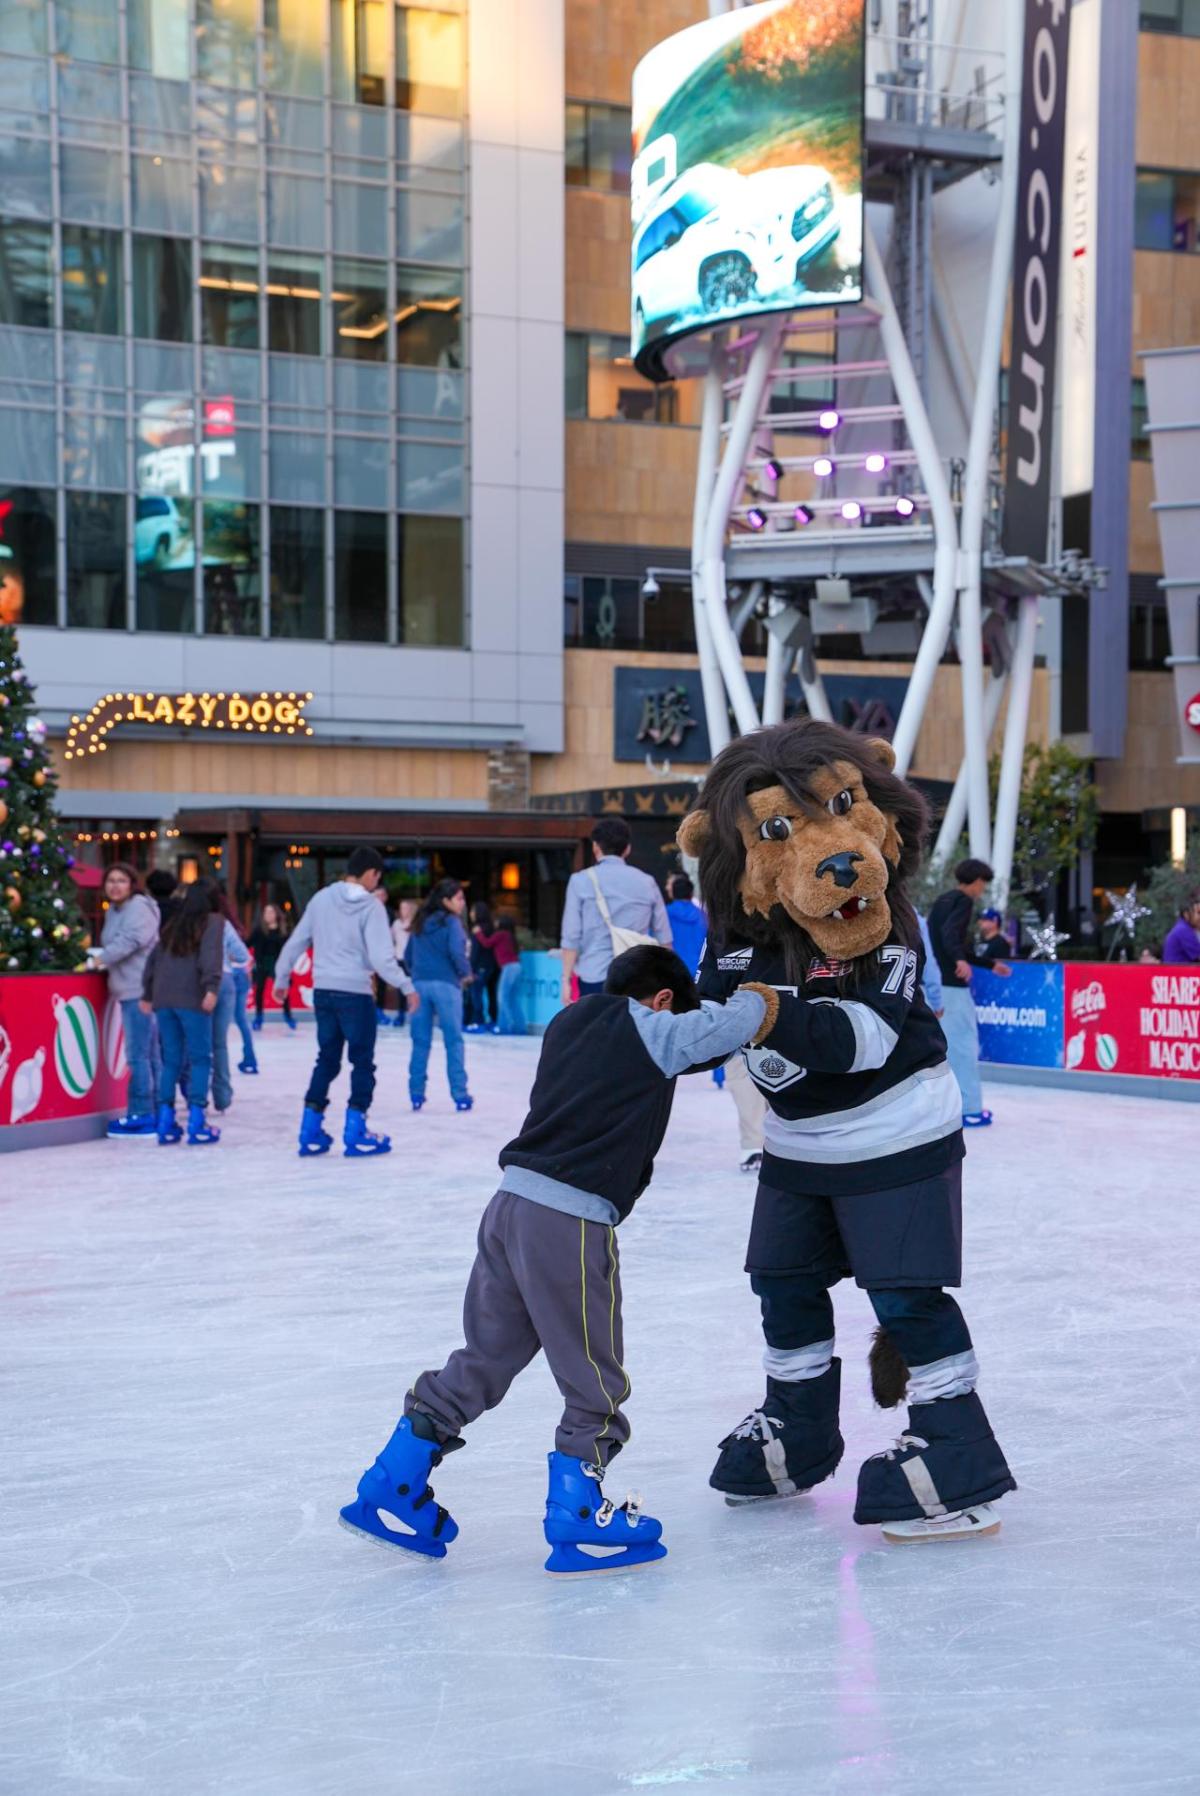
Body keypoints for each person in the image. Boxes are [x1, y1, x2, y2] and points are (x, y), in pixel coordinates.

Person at [339, 944, 770, 1574]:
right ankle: (575, 1512)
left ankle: (392, 1479)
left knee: (485, 1357)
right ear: (663, 1001)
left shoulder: (570, 1020)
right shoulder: (649, 1026)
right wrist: (767, 990)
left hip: (509, 1207)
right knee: (595, 1375)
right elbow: (730, 1027)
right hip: (566, 1222)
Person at [274, 846, 419, 1157]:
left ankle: (309, 1129)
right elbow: (382, 958)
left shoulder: (321, 899)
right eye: (377, 877)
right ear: (371, 873)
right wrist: (406, 986)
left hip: (324, 991)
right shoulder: (371, 907)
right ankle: (356, 1130)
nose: (376, 884)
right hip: (355, 992)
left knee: (327, 1058)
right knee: (362, 1061)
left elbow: (297, 939)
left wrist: (281, 977)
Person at [927, 858, 1012, 1128]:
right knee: (964, 1044)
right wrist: (959, 961)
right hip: (952, 986)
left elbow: (940, 938)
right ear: (976, 881)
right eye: (982, 885)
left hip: (936, 985)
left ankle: (944, 1107)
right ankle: (969, 1108)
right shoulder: (964, 901)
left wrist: (990, 965)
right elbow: (951, 936)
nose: (981, 891)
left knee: (944, 1047)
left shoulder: (942, 900)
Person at [140, 877, 224, 1145]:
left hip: (164, 1000)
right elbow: (210, 955)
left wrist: (148, 993)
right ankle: (197, 1120)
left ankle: (165, 1121)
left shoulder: (173, 925)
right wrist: (211, 987)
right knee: (200, 1059)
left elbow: (153, 961)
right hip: (192, 998)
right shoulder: (212, 922)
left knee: (172, 1060)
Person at [560, 818, 672, 1001]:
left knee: (597, 1029)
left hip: (594, 975)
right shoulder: (647, 882)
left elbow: (571, 937)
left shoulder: (580, 881)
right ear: (627, 848)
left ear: (595, 847)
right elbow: (665, 939)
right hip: (638, 976)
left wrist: (565, 979)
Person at [93, 863, 160, 1138]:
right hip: (129, 990)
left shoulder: (139, 908)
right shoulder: (115, 911)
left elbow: (130, 940)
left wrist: (100, 958)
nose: (115, 886)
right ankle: (157, 1110)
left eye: (121, 881)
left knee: (138, 1055)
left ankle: (142, 1113)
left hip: (140, 990)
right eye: (111, 881)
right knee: (149, 1053)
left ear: (132, 884)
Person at [406, 879, 474, 1111]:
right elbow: (457, 951)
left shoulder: (419, 921)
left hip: (419, 985)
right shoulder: (452, 922)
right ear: (446, 901)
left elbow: (407, 955)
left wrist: (418, 972)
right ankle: (460, 1094)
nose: (463, 904)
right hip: (446, 985)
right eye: (459, 899)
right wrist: (465, 973)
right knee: (453, 1041)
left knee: (420, 1042)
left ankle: (416, 1093)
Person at [211, 891, 256, 1104]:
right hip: (228, 976)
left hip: (207, 980)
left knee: (199, 1042)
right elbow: (243, 955)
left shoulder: (190, 923)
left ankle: (196, 1095)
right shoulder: (225, 923)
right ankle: (222, 1095)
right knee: (221, 1040)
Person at [249, 902, 294, 1029]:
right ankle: (259, 1017)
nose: (268, 915)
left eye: (270, 912)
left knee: (282, 989)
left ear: (276, 914)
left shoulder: (283, 931)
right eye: (266, 912)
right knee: (260, 990)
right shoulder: (259, 930)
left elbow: (290, 948)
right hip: (262, 963)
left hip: (278, 964)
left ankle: (288, 1015)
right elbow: (248, 943)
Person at [478, 912, 524, 1035]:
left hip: (508, 967)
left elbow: (486, 943)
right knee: (513, 999)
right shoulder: (510, 935)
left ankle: (505, 1027)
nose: (495, 923)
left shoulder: (500, 934)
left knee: (502, 997)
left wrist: (478, 933)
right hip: (517, 967)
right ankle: (520, 1028)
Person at [465, 900, 499, 1032]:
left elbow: (475, 950)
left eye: (473, 911)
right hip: (493, 966)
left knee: (476, 994)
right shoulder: (492, 928)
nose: (471, 914)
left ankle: (478, 1021)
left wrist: (470, 967)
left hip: (480, 966)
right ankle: (493, 1020)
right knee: (492, 994)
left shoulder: (477, 929)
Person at [665, 872, 707, 977]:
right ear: (691, 893)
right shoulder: (703, 915)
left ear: (673, 893)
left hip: (674, 969)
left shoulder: (665, 914)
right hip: (700, 970)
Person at [1163, 893, 1200, 964]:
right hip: (1177, 973)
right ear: (1186, 915)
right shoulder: (1183, 931)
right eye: (1198, 913)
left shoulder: (1183, 927)